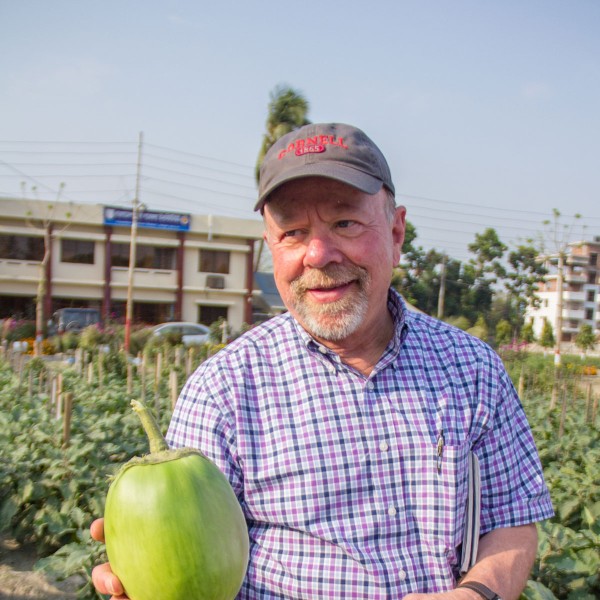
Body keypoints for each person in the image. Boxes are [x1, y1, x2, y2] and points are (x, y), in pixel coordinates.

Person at [91, 123, 554, 599]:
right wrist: (152, 565)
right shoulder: (223, 391)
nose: (318, 254)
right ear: (271, 248)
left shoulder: (472, 368)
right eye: (293, 232)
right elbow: (184, 557)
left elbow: (513, 520)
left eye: (345, 223)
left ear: (396, 233)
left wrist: (477, 593)